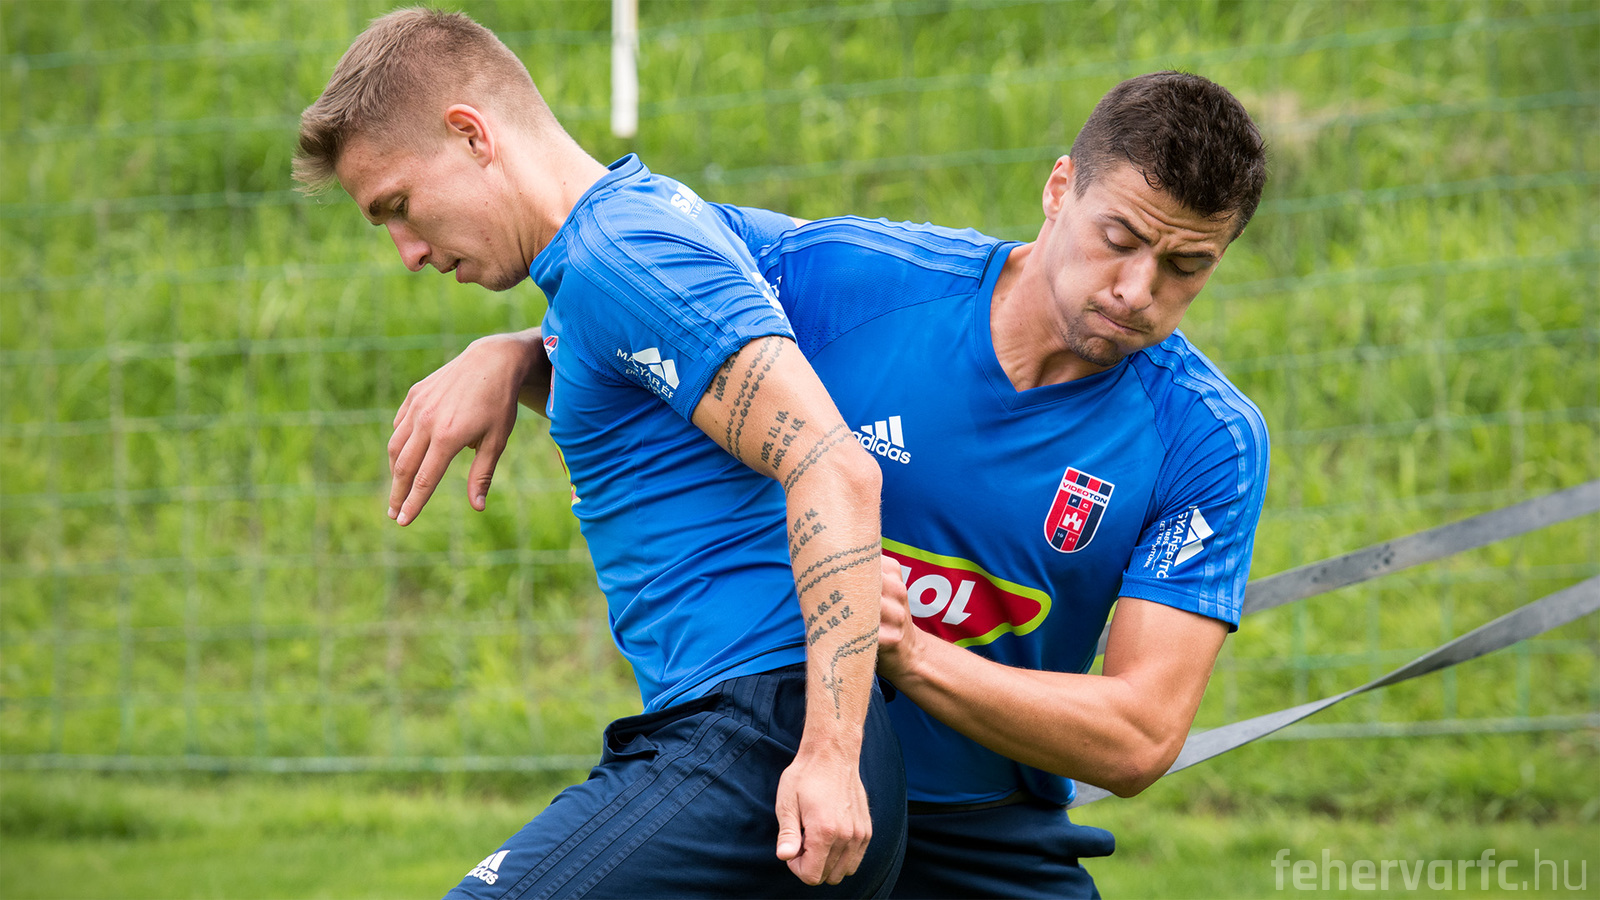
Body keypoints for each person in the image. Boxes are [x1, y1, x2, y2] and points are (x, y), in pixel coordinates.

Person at [393, 71, 1270, 899]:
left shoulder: (1207, 440)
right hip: (780, 785)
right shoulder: (846, 278)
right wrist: (516, 354)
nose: (1137, 289)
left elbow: (1138, 735)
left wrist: (913, 653)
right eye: (1119, 239)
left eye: (1186, 266)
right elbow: (646, 308)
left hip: (990, 839)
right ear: (1059, 188)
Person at [293, 8, 907, 898]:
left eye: (399, 207)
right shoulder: (630, 234)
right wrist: (518, 356)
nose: (408, 253)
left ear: (472, 135)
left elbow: (831, 462)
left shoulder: (620, 255)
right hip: (753, 735)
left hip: (763, 741)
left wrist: (829, 757)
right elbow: (674, 378)